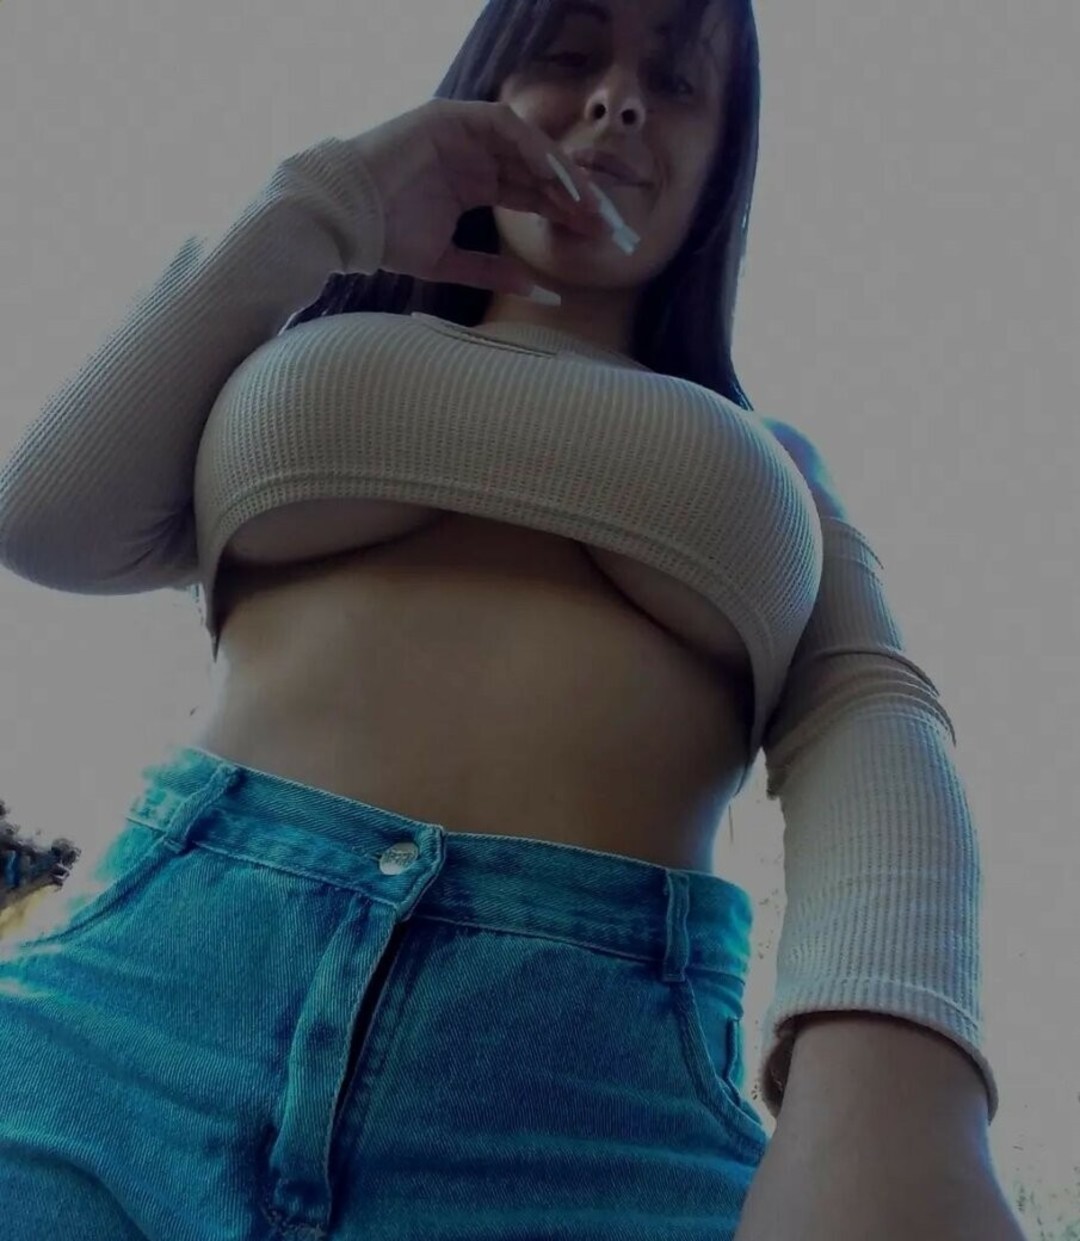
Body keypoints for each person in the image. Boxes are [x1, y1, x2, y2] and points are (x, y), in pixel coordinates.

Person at [0, 1, 1002, 1237]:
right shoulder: (315, 337)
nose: (617, 101)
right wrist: (334, 199)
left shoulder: (776, 461)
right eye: (568, 56)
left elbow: (868, 708)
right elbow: (46, 520)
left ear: (723, 167)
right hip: (142, 996)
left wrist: (896, 1073)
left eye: (676, 83)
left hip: (589, 1093)